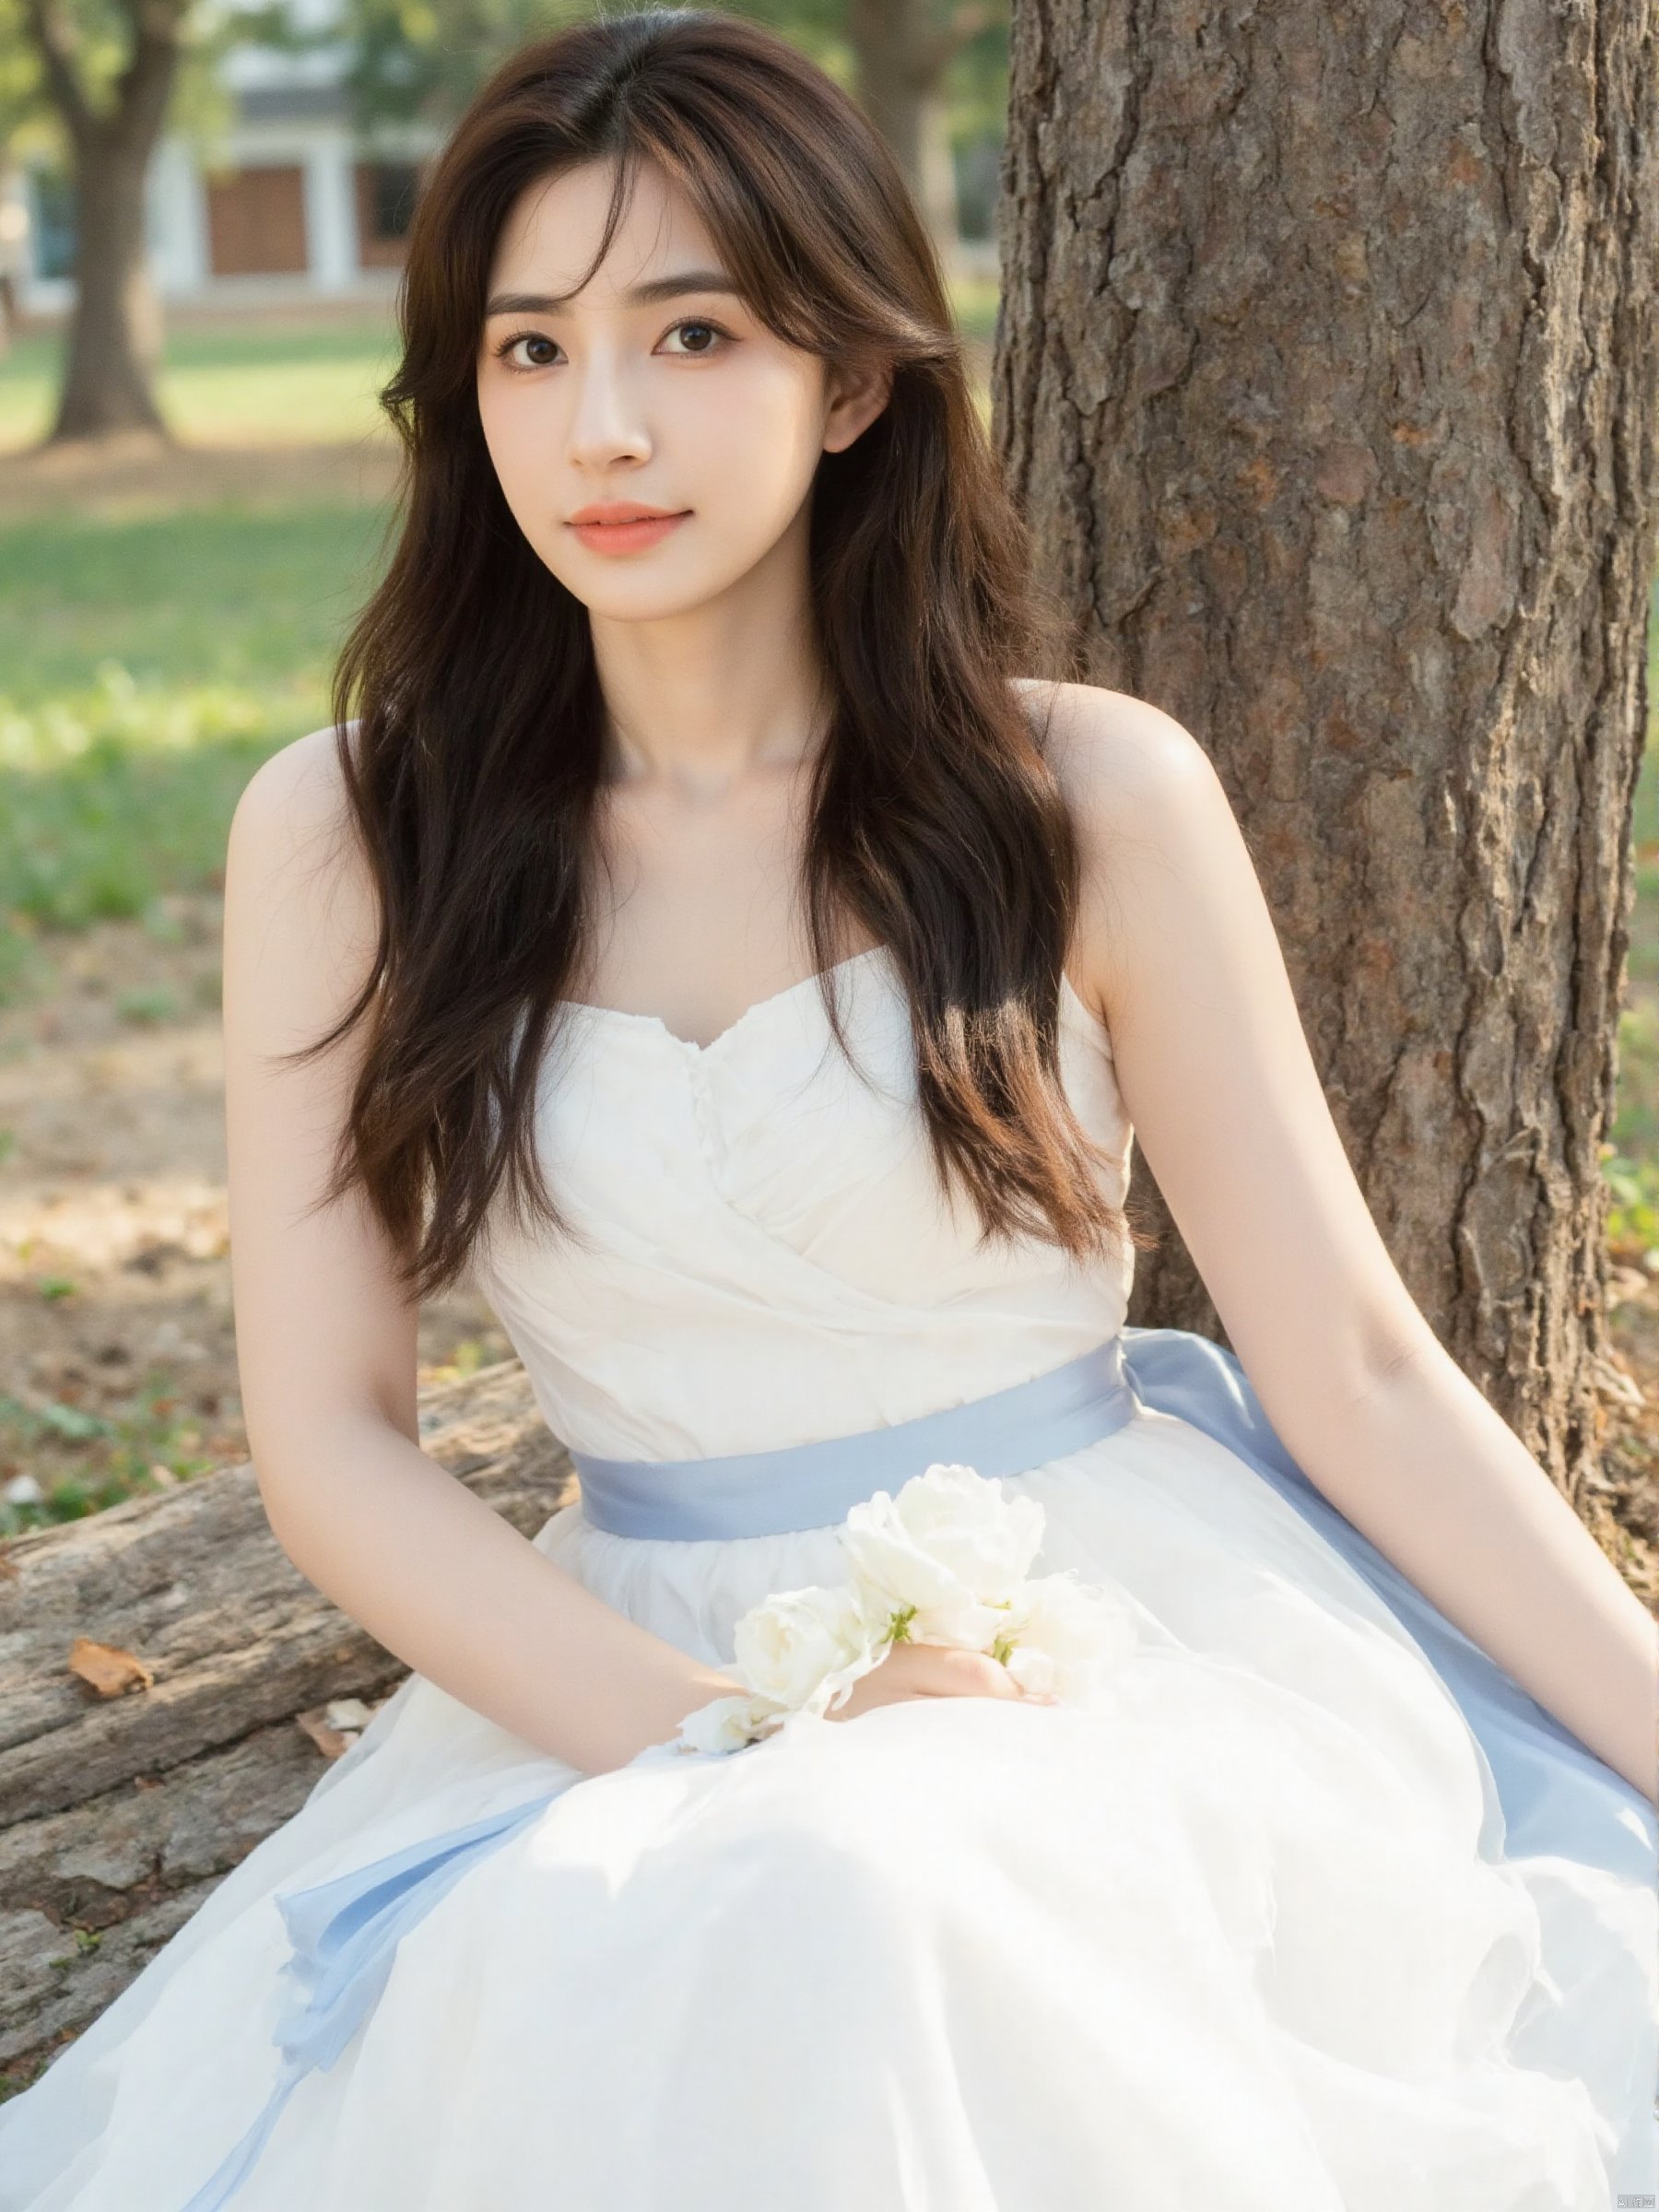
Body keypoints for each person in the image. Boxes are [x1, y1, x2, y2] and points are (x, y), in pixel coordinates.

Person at [3, 10, 1654, 2207]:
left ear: (851, 379)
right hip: (623, 1671)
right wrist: (737, 1748)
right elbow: (329, 1446)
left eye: (690, 333)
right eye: (527, 349)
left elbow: (1348, 1363)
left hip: (1099, 1645)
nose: (601, 424)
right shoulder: (350, 837)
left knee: (912, 1906)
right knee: (797, 1913)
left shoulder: (1082, 798)